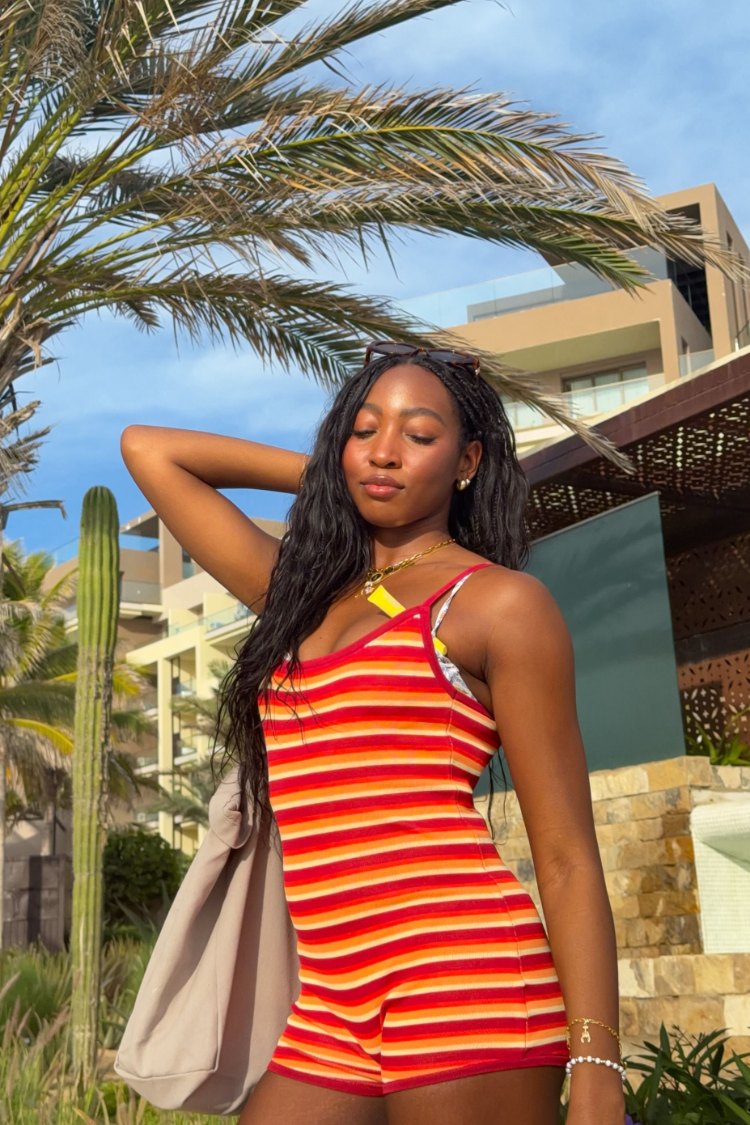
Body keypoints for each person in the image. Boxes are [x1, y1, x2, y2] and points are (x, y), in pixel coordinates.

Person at [121, 342, 626, 1125]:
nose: (385, 453)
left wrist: (596, 1065)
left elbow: (564, 856)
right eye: (364, 432)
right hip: (331, 1002)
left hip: (465, 979)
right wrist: (336, 476)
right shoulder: (301, 598)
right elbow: (150, 451)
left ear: (468, 461)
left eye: (419, 436)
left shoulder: (496, 604)